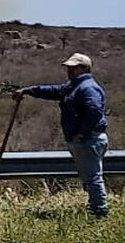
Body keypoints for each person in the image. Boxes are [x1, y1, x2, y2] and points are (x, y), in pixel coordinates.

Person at [14, 54, 110, 218]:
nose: (69, 70)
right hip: (86, 139)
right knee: (90, 176)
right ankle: (96, 208)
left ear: (85, 68)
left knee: (92, 177)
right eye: (68, 67)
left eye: (74, 67)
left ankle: (100, 212)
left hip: (89, 139)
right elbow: (52, 91)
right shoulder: (73, 87)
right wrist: (29, 91)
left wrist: (83, 133)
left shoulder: (87, 88)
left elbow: (94, 111)